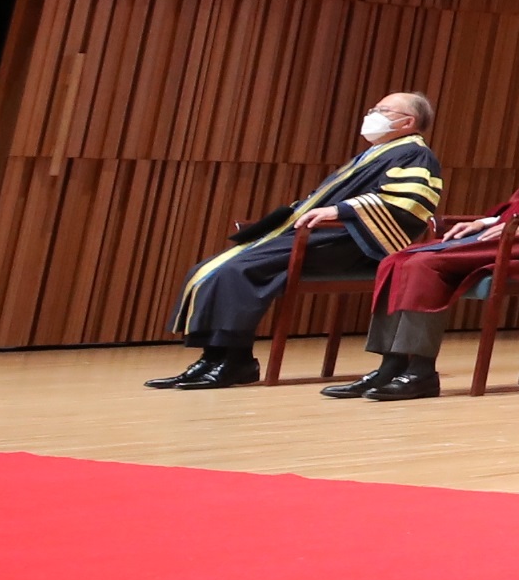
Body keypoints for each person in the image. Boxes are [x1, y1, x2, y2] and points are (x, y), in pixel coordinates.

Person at [322, 67, 519, 404]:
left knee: (424, 263)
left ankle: (419, 372)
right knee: (398, 258)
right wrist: (486, 222)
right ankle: (391, 365)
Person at [148, 94, 444, 391]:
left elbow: (409, 204)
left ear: (408, 122)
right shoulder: (379, 152)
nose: (373, 115)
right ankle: (213, 358)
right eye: (373, 109)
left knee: (237, 270)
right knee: (213, 268)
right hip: (326, 236)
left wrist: (341, 210)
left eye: (383, 110)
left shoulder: (415, 154)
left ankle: (235, 361)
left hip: (354, 243)